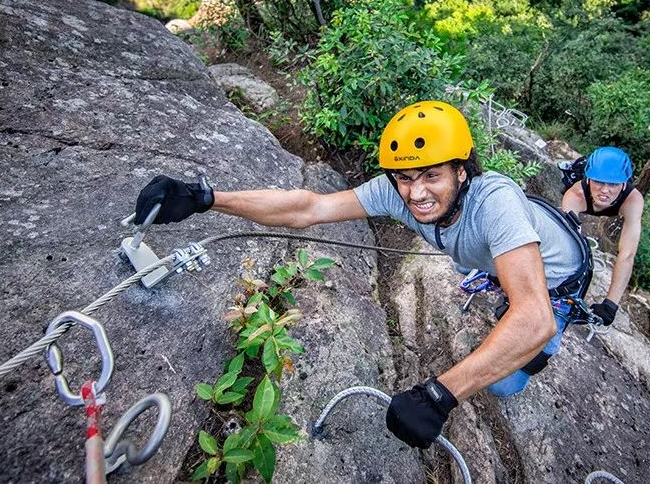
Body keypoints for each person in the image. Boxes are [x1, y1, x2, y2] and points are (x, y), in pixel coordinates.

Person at [133, 100, 593, 449]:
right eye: (404, 178)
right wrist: (207, 198)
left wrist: (440, 395)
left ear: (462, 169)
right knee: (505, 328)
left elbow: (534, 317)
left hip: (558, 283)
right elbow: (307, 207)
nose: (415, 194)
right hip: (500, 264)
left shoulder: (495, 203)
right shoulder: (399, 189)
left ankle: (534, 359)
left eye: (431, 175)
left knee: (508, 378)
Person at [560, 146, 644, 328]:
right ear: (588, 178)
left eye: (613, 184)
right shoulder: (576, 194)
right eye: (599, 181)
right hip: (582, 194)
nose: (605, 190)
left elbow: (627, 254)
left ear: (624, 183)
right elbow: (568, 245)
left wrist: (611, 304)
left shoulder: (633, 200)